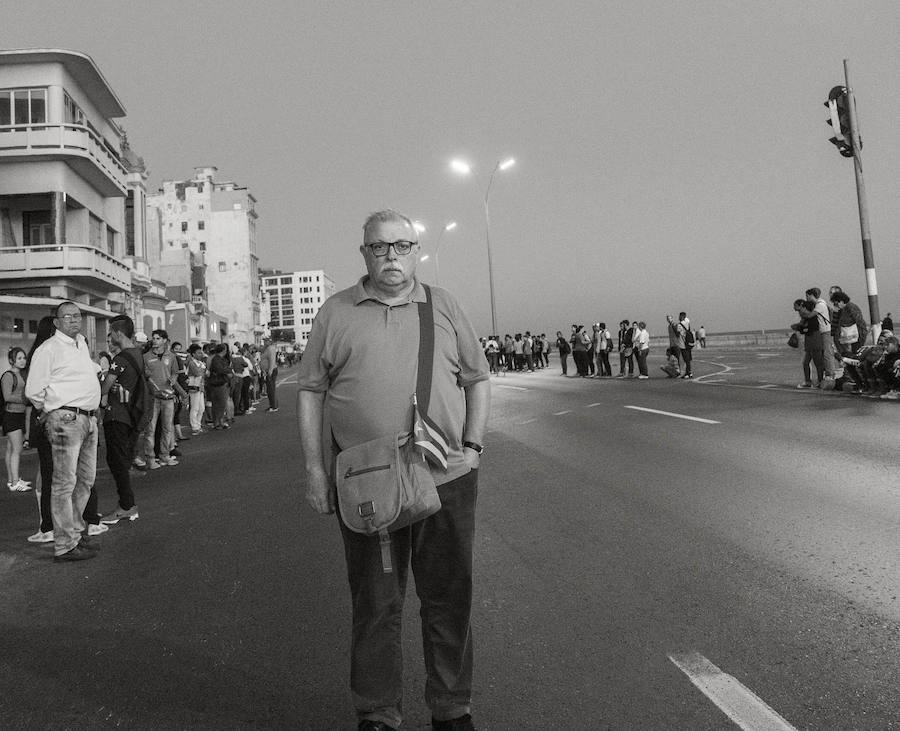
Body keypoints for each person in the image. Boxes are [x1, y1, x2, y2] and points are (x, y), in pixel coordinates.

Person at [298, 210, 490, 731]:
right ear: (363, 253)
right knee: (377, 605)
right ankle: (378, 712)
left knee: (449, 597)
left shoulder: (444, 304)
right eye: (379, 247)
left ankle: (452, 708)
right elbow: (311, 391)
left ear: (416, 251)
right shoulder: (336, 312)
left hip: (446, 477)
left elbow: (477, 378)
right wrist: (317, 471)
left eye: (401, 246)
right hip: (368, 483)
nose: (391, 257)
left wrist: (472, 446)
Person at [25, 301, 102, 562]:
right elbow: (33, 390)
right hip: (66, 419)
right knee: (63, 484)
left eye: (77, 315)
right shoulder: (49, 349)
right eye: (67, 316)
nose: (73, 320)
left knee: (85, 482)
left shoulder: (80, 344)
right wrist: (53, 410)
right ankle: (64, 544)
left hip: (89, 420)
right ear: (56, 322)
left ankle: (76, 534)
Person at [99, 315, 143, 525]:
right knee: (119, 460)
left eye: (111, 333)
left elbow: (105, 387)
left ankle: (126, 506)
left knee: (117, 461)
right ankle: (127, 504)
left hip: (117, 415)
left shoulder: (121, 358)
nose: (110, 337)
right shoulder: (138, 355)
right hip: (130, 415)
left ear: (118, 333)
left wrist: (103, 385)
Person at [24, 317, 56, 543]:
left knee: (46, 476)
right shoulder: (53, 353)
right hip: (56, 419)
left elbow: (33, 394)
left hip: (44, 419)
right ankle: (55, 524)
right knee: (58, 476)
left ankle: (48, 526)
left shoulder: (39, 354)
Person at [139, 329, 186, 469]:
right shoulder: (145, 357)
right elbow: (144, 376)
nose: (155, 340)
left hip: (168, 397)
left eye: (158, 338)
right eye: (153, 338)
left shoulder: (171, 356)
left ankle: (165, 456)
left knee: (167, 428)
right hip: (153, 398)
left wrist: (173, 379)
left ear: (165, 340)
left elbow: (175, 373)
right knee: (150, 430)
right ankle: (150, 458)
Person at [3, 347, 32, 492]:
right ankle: (15, 482)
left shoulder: (21, 374)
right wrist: (24, 399)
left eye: (24, 358)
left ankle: (12, 480)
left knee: (10, 449)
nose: (23, 361)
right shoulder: (8, 375)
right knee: (17, 449)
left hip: (19, 415)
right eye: (19, 358)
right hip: (11, 415)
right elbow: (7, 396)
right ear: (11, 360)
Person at [260, 337, 279, 412]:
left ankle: (273, 406)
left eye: (265, 341)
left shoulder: (270, 349)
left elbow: (272, 360)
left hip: (271, 370)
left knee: (271, 389)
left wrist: (270, 371)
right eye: (264, 341)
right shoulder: (267, 348)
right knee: (270, 389)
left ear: (269, 341)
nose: (264, 342)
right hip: (268, 370)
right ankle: (273, 405)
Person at [676, 312, 693, 379]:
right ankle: (689, 372)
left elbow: (677, 334)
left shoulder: (679, 325)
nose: (678, 318)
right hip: (688, 343)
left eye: (679, 316)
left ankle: (687, 373)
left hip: (682, 343)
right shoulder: (687, 323)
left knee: (685, 359)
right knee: (688, 359)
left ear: (682, 317)